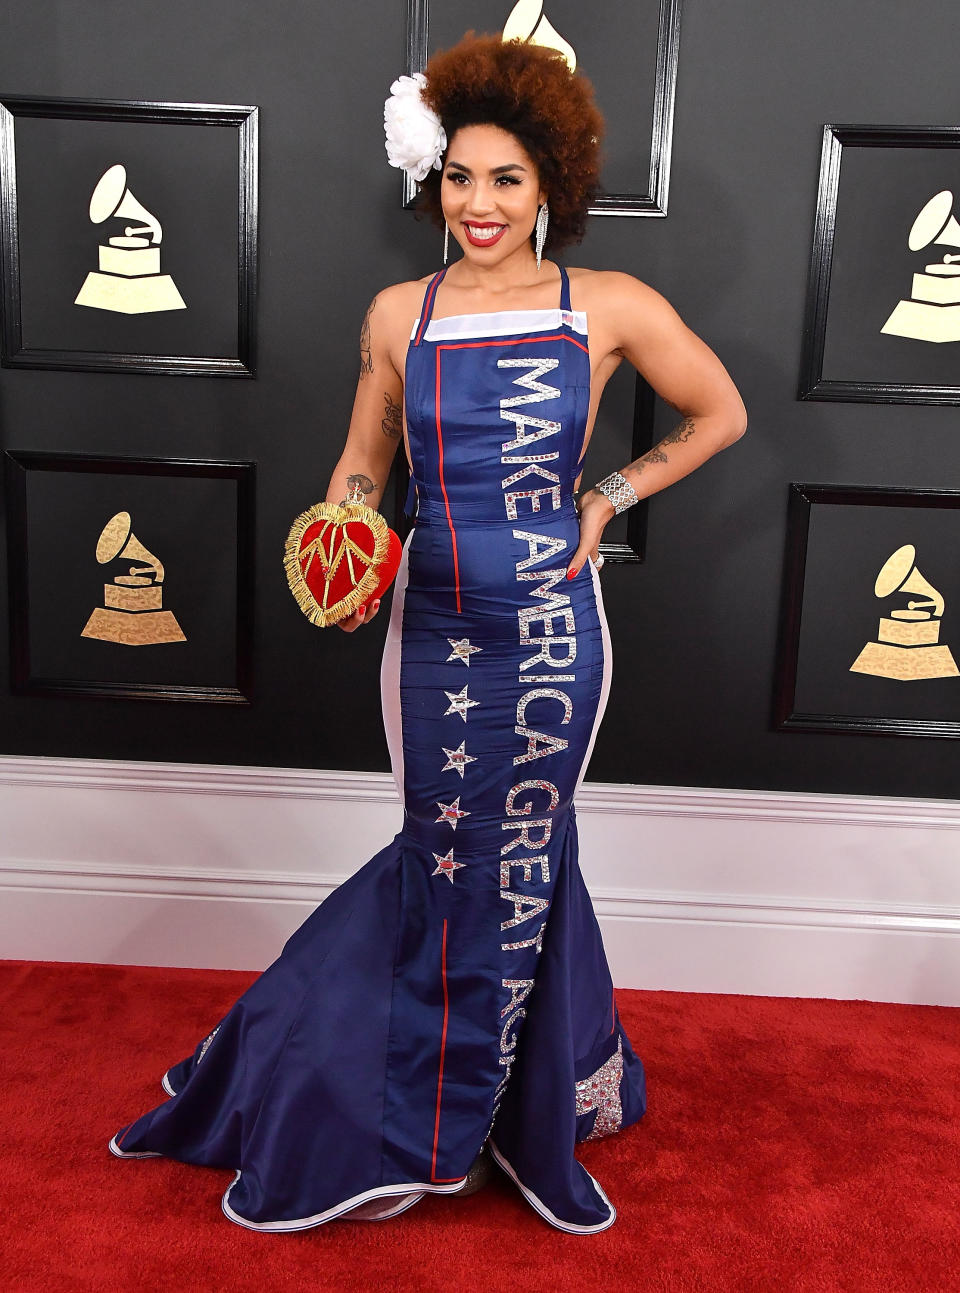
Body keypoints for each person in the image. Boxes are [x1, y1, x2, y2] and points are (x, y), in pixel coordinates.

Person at [109, 33, 747, 1235]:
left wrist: (606, 498)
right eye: (460, 177)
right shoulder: (401, 312)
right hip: (435, 627)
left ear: (551, 182)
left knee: (529, 850)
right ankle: (415, 1097)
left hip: (558, 638)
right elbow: (362, 463)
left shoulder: (606, 304)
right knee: (442, 851)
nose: (481, 203)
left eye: (506, 178)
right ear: (433, 182)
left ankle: (515, 1096)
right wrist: (344, 528)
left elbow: (722, 410)